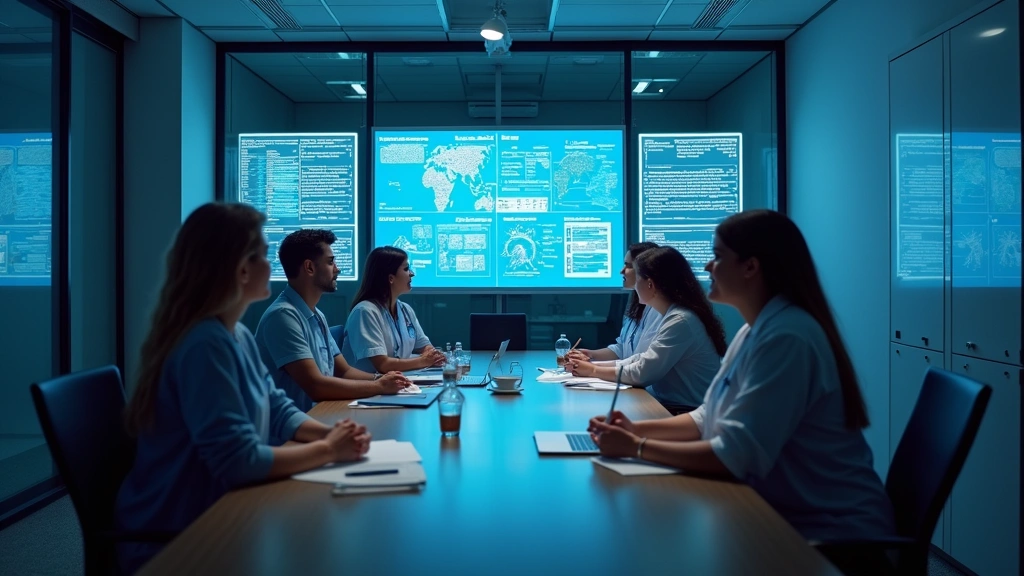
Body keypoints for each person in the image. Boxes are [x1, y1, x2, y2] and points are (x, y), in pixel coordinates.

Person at [587, 209, 895, 557]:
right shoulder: (756, 329)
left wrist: (636, 447)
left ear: (751, 267)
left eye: (718, 256)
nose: (707, 267)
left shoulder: (788, 337)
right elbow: (707, 416)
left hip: (831, 536)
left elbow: (734, 455)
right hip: (783, 513)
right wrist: (637, 430)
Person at [116, 203, 371, 574]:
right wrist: (328, 449)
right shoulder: (204, 344)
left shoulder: (235, 334)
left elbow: (279, 408)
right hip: (184, 539)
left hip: (225, 511)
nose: (272, 267)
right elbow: (238, 461)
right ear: (240, 268)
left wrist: (331, 433)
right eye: (264, 255)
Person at [255, 229, 411, 412]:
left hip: (322, 413)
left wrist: (380, 379)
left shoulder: (317, 315)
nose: (337, 268)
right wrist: (379, 387)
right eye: (330, 262)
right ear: (309, 267)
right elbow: (315, 386)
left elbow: (343, 371)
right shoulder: (282, 316)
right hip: (292, 431)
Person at [570, 246, 727, 413]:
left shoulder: (680, 320)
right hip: (669, 404)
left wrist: (594, 370)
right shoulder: (673, 315)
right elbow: (641, 358)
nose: (634, 285)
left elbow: (643, 373)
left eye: (637, 278)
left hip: (682, 410)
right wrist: (592, 365)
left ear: (650, 284)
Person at [341, 246, 446, 373]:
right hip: (369, 389)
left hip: (396, 384)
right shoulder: (365, 312)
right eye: (406, 269)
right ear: (390, 278)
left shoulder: (405, 310)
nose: (412, 273)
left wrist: (432, 355)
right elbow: (383, 365)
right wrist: (424, 361)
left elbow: (424, 346)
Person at [566, 242, 663, 363]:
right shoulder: (636, 304)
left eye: (628, 266)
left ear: (645, 271)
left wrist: (593, 369)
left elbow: (641, 361)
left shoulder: (659, 310)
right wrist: (590, 354)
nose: (622, 271)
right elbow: (622, 349)